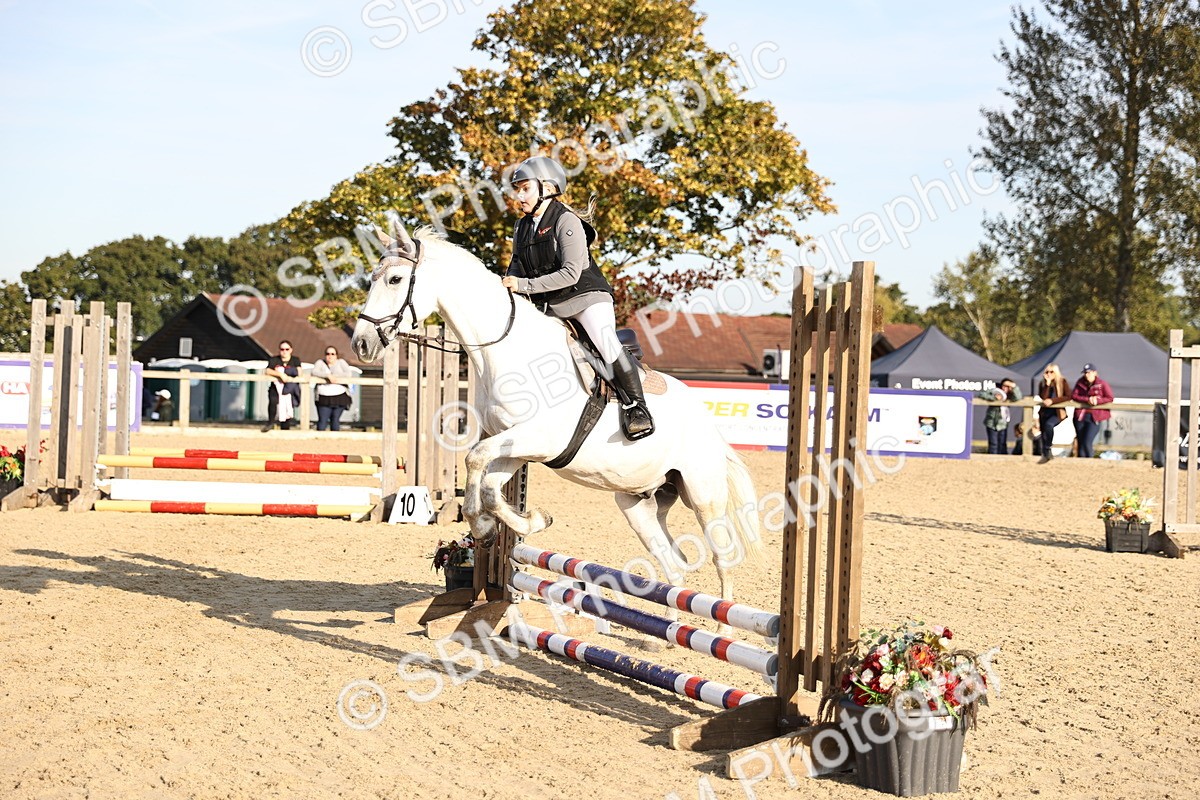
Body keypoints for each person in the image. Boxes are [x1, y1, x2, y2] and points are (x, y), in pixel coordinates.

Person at [501, 156, 654, 440]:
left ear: (547, 188)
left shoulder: (565, 220)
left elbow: (570, 274)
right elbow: (516, 265)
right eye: (517, 190)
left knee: (606, 344)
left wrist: (522, 285)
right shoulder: (521, 227)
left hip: (586, 298)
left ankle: (637, 408)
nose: (518, 196)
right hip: (551, 304)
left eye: (524, 188)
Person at [1071, 363, 1114, 459]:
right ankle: (1081, 462)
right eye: (1085, 373)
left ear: (1095, 373)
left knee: (1087, 441)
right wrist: (1087, 399)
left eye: (1089, 373)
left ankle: (1090, 461)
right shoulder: (1080, 383)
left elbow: (1110, 397)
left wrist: (1097, 400)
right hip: (1080, 415)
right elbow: (1074, 396)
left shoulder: (1102, 384)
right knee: (1081, 441)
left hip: (1095, 417)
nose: (1087, 375)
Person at [312, 346, 353, 431]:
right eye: (327, 354)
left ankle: (334, 442)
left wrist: (335, 377)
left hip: (340, 396)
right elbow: (314, 372)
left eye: (332, 354)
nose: (330, 356)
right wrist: (327, 376)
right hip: (324, 397)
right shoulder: (320, 362)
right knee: (322, 422)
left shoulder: (341, 362)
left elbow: (348, 373)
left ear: (336, 355)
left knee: (335, 420)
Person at [976, 377, 1022, 454]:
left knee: (1002, 443)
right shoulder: (995, 390)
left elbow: (1018, 397)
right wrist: (994, 398)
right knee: (993, 443)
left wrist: (1014, 387)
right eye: (1004, 385)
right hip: (991, 422)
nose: (1005, 388)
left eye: (1007, 386)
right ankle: (992, 459)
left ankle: (1003, 459)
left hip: (1003, 422)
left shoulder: (1010, 395)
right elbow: (982, 394)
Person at [1037, 363, 1072, 463]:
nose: (1049, 374)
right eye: (1047, 372)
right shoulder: (1042, 384)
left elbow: (1068, 396)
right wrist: (1047, 384)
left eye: (1051, 372)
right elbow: (1043, 397)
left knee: (1049, 425)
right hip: (1044, 412)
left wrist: (1053, 401)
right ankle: (1046, 454)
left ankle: (1048, 447)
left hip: (1057, 412)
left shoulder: (1062, 382)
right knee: (1043, 433)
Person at [263, 340, 301, 431]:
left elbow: (299, 372)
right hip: (276, 387)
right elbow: (267, 371)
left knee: (287, 406)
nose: (284, 351)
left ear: (291, 350)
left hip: (289, 388)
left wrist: (288, 374)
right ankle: (270, 423)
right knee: (273, 403)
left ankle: (285, 427)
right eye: (282, 349)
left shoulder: (295, 360)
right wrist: (280, 374)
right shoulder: (274, 359)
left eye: (287, 349)